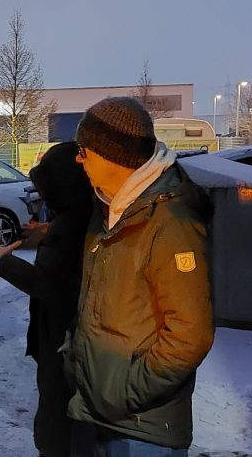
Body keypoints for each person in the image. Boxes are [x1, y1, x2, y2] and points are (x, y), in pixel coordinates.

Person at [67, 97, 214, 457]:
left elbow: (190, 337)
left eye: (83, 150)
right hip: (107, 417)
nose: (78, 159)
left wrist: (123, 392)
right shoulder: (114, 210)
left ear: (111, 154)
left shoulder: (170, 223)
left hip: (143, 432)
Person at [0, 142, 93, 457]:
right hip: (74, 338)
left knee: (57, 414)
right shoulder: (85, 215)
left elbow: (46, 283)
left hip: (63, 340)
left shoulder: (69, 227)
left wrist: (5, 260)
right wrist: (47, 231)